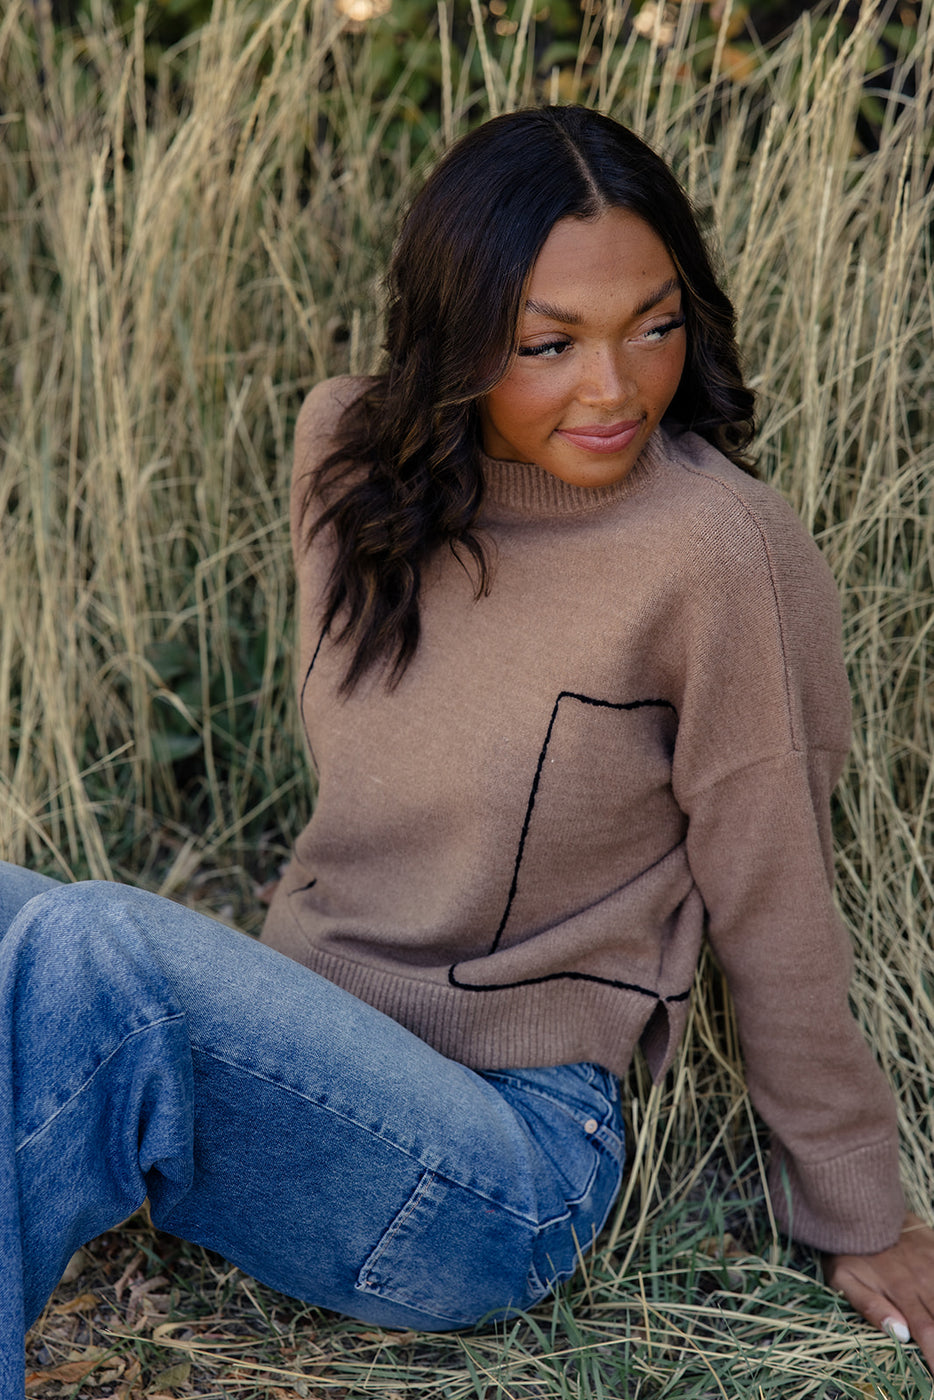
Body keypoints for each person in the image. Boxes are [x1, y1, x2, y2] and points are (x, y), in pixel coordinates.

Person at [1, 105, 931, 1394]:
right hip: (301, 1049)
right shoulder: (346, 455)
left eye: (654, 326)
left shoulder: (718, 552)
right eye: (549, 344)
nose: (616, 389)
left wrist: (859, 1209)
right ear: (455, 337)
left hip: (500, 1163)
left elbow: (776, 893)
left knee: (88, 952)